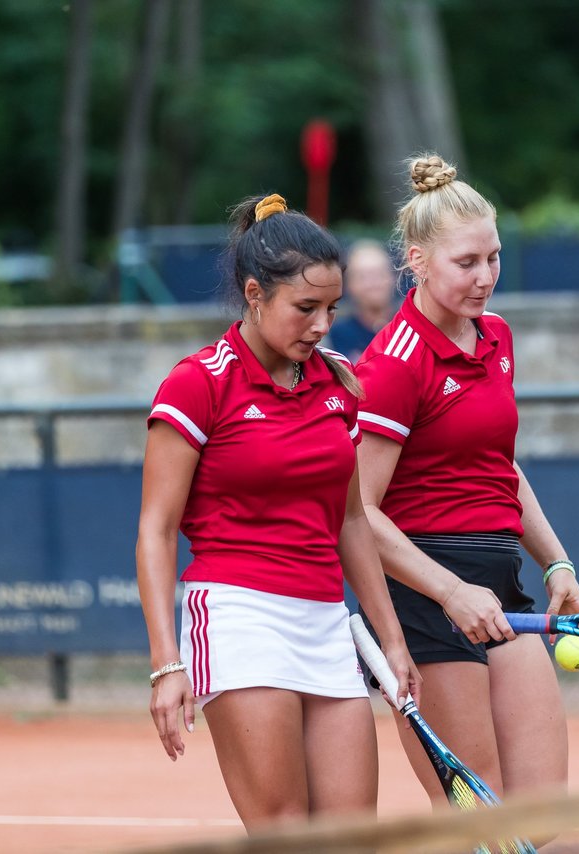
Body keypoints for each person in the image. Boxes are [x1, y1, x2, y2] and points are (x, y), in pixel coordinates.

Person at [136, 194, 420, 829]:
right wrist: (166, 664)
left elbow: (350, 521)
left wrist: (392, 640)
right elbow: (155, 531)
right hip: (239, 618)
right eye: (305, 308)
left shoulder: (337, 383)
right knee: (285, 831)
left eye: (331, 309)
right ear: (256, 294)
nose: (321, 325)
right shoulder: (197, 383)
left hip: (324, 620)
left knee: (350, 833)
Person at [353, 155, 579, 812]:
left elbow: (500, 468)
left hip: (501, 588)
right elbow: (358, 512)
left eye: (494, 258)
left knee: (535, 817)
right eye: (467, 263)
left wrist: (557, 561)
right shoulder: (395, 364)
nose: (485, 277)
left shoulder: (498, 337)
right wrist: (451, 592)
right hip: (426, 601)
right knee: (475, 825)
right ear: (418, 260)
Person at [325, 239, 399, 362]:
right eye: (363, 277)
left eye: (379, 274)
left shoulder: (409, 325)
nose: (373, 283)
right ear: (349, 285)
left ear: (392, 278)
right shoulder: (336, 333)